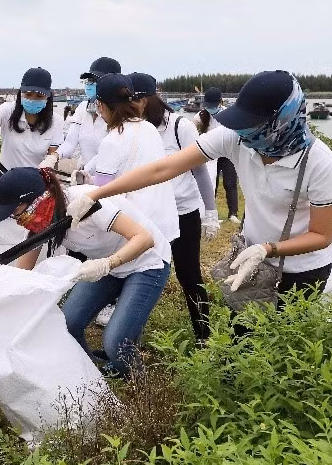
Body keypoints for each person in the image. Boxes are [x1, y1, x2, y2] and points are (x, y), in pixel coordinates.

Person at [69, 70, 332, 302]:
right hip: (251, 257)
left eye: (252, 126)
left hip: (304, 269)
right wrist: (97, 193)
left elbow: (321, 235)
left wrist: (267, 249)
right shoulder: (237, 138)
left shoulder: (318, 162)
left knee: (284, 347)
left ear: (282, 122)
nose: (243, 133)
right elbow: (163, 168)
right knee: (242, 338)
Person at [0, 167, 171, 378]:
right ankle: (94, 378)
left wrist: (107, 264)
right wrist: (3, 307)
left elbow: (145, 239)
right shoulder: (43, 219)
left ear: (36, 201)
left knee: (116, 343)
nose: (15, 218)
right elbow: (22, 273)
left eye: (15, 211)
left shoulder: (87, 205)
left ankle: (140, 383)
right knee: (68, 324)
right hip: (107, 265)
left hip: (146, 262)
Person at [134, 72, 219, 343]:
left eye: (136, 99)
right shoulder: (135, 128)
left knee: (188, 273)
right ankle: (129, 335)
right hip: (150, 213)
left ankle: (204, 335)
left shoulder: (180, 126)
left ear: (150, 98)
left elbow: (201, 172)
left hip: (183, 211)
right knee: (140, 271)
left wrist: (211, 212)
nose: (131, 105)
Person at [88, 73, 180, 243]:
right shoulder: (149, 128)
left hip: (138, 231)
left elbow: (103, 192)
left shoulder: (112, 140)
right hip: (165, 225)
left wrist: (85, 185)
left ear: (100, 106)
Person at [0, 67, 63, 170]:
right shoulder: (8, 110)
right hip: (6, 177)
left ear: (48, 97)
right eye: (28, 94)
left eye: (39, 96)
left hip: (37, 180)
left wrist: (52, 162)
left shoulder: (56, 121)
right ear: (21, 93)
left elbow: (53, 157)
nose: (32, 99)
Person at [59, 57, 118, 181]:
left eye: (95, 81)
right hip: (83, 176)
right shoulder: (82, 108)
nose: (89, 84)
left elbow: (107, 152)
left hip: (107, 179)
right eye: (88, 80)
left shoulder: (118, 115)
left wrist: (85, 172)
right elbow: (70, 143)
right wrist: (54, 156)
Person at [198, 88, 240, 223]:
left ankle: (233, 213)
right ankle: (211, 213)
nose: (210, 108)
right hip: (209, 154)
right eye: (208, 105)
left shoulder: (229, 114)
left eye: (213, 105)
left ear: (220, 102)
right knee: (211, 182)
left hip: (227, 153)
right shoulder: (201, 116)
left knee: (230, 182)